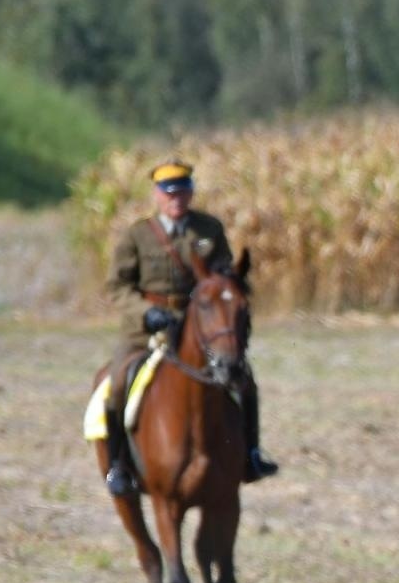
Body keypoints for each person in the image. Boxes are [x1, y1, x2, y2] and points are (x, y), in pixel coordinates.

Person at [103, 161, 277, 496]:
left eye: (182, 191)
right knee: (117, 385)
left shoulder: (208, 229)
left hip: (198, 326)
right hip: (146, 330)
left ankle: (251, 455)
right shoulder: (136, 236)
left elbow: (224, 274)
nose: (176, 199)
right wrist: (146, 312)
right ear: (157, 195)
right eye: (169, 193)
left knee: (244, 381)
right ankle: (119, 466)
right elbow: (117, 287)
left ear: (191, 192)